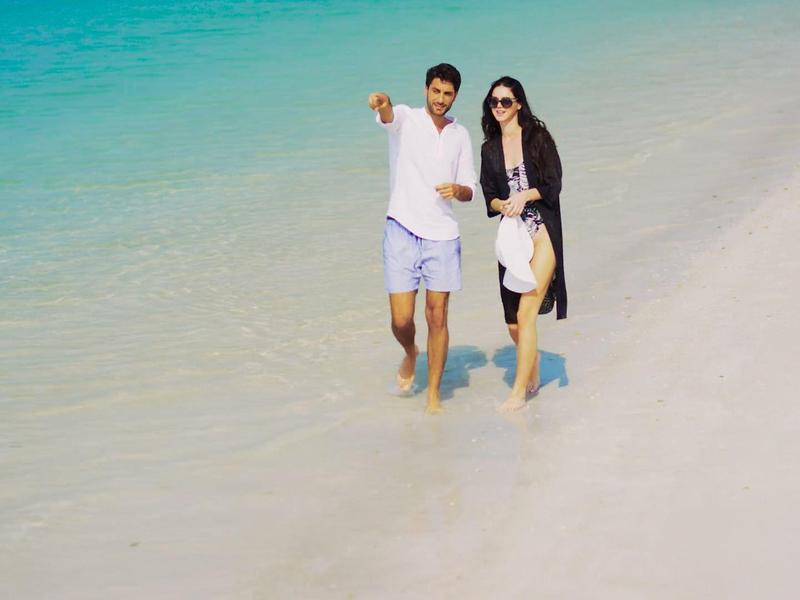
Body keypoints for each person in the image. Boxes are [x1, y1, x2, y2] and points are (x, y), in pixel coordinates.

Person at [368, 63, 477, 415]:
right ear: (426, 90)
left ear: (455, 96)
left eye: (448, 93)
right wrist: (382, 102)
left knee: (437, 317)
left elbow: (470, 189)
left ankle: (433, 395)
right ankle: (411, 351)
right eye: (436, 91)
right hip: (401, 228)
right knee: (401, 320)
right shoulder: (407, 118)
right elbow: (388, 115)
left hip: (442, 236)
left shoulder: (460, 135)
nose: (441, 99)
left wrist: (457, 189)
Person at [479, 76, 567, 412]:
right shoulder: (489, 149)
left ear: (518, 104)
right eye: (494, 101)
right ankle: (533, 362)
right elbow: (489, 197)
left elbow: (553, 184)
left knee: (526, 311)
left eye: (505, 101)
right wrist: (503, 204)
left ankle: (518, 393)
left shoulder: (537, 137)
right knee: (514, 323)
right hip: (513, 237)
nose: (499, 107)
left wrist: (524, 195)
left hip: (542, 232)